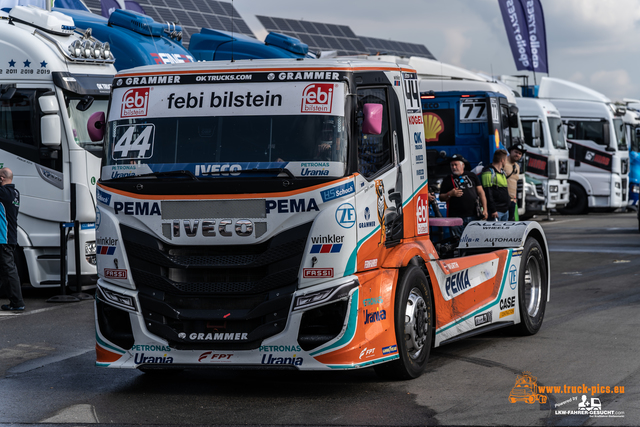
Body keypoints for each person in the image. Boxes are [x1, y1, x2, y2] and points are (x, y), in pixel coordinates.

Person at [439, 154, 488, 237]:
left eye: (456, 165)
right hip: (456, 217)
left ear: (463, 165)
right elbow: (441, 197)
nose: (453, 167)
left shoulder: (472, 176)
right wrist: (450, 194)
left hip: (473, 215)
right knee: (458, 241)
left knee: (474, 240)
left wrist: (485, 209)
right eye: (452, 165)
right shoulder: (447, 179)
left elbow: (481, 192)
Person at [0, 167, 24, 312]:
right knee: (6, 270)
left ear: (1, 178)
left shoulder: (3, 193)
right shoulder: (15, 192)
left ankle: (17, 302)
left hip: (4, 237)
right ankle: (15, 301)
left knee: (9, 270)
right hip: (10, 236)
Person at [481, 150, 511, 221]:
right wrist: (493, 210)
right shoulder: (488, 172)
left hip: (505, 211)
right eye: (506, 159)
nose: (506, 162)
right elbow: (487, 193)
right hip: (496, 212)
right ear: (502, 160)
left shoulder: (502, 172)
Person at [505, 143, 525, 220]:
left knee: (509, 224)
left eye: (520, 153)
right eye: (516, 152)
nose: (517, 155)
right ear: (511, 151)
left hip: (512, 201)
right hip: (503, 200)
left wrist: (515, 198)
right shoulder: (503, 162)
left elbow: (515, 182)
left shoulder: (517, 166)